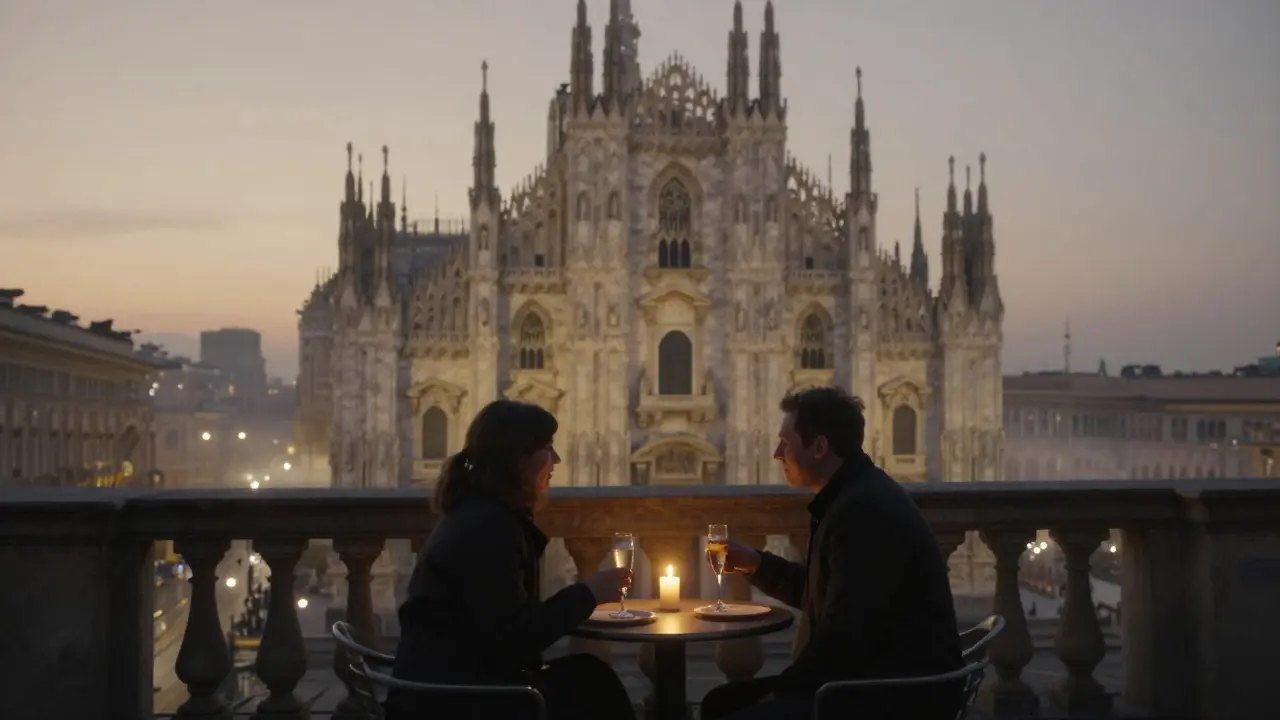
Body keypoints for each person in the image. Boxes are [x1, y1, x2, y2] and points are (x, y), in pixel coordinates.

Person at [701, 387, 964, 720]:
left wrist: (781, 691)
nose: (776, 453)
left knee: (732, 709)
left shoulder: (863, 512)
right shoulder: (854, 496)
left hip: (891, 695)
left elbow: (844, 637)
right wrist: (756, 564)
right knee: (720, 702)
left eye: (786, 442)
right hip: (878, 677)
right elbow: (827, 593)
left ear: (820, 447)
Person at [385, 399, 637, 720]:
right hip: (458, 699)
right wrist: (588, 593)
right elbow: (514, 640)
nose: (556, 459)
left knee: (590, 676)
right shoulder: (490, 527)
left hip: (444, 686)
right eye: (547, 448)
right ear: (517, 460)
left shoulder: (477, 512)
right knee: (594, 687)